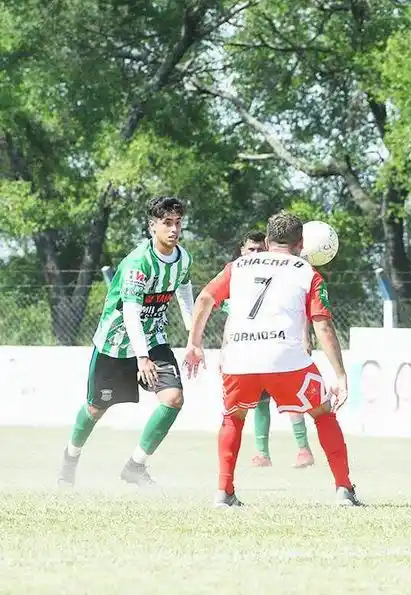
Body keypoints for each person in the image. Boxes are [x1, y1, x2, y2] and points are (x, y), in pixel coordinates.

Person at [183, 211, 362, 507]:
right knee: (323, 412)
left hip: (239, 358)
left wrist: (194, 343)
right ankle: (344, 489)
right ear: (300, 242)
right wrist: (339, 374)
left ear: (267, 242)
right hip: (286, 360)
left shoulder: (237, 267)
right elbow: (322, 324)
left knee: (233, 418)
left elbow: (204, 299)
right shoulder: (307, 272)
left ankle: (223, 493)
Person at [57, 197, 194, 487]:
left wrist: (193, 338)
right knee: (96, 408)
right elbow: (130, 311)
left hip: (154, 337)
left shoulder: (183, 258)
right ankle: (70, 458)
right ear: (152, 226)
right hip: (116, 343)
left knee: (173, 399)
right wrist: (141, 358)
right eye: (166, 223)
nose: (173, 229)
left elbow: (184, 292)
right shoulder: (137, 262)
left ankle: (135, 467)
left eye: (177, 223)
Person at [223, 231, 314, 469]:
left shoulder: (283, 273)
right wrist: (225, 350)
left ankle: (303, 449)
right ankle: (262, 453)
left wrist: (305, 336)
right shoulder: (239, 278)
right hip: (250, 349)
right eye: (251, 249)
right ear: (242, 251)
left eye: (260, 249)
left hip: (282, 345)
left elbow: (301, 308)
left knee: (293, 398)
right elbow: (232, 320)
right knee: (259, 402)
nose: (256, 253)